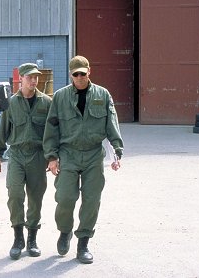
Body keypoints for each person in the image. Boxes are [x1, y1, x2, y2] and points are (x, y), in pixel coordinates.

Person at [43, 55, 124, 264]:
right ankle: (65, 232)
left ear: (90, 72)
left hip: (93, 155)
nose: (79, 77)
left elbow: (111, 124)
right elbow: (51, 127)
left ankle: (83, 242)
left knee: (91, 200)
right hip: (68, 154)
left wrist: (117, 150)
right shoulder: (60, 97)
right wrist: (52, 157)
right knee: (65, 197)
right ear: (71, 74)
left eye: (83, 73)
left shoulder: (102, 95)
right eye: (76, 74)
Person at [0, 63, 52, 260]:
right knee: (15, 195)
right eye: (30, 77)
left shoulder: (46, 103)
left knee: (36, 198)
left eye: (36, 77)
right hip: (16, 154)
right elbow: (3, 131)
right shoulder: (11, 103)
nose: (34, 80)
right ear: (21, 79)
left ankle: (32, 239)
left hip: (37, 155)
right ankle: (18, 238)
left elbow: (52, 133)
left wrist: (53, 157)